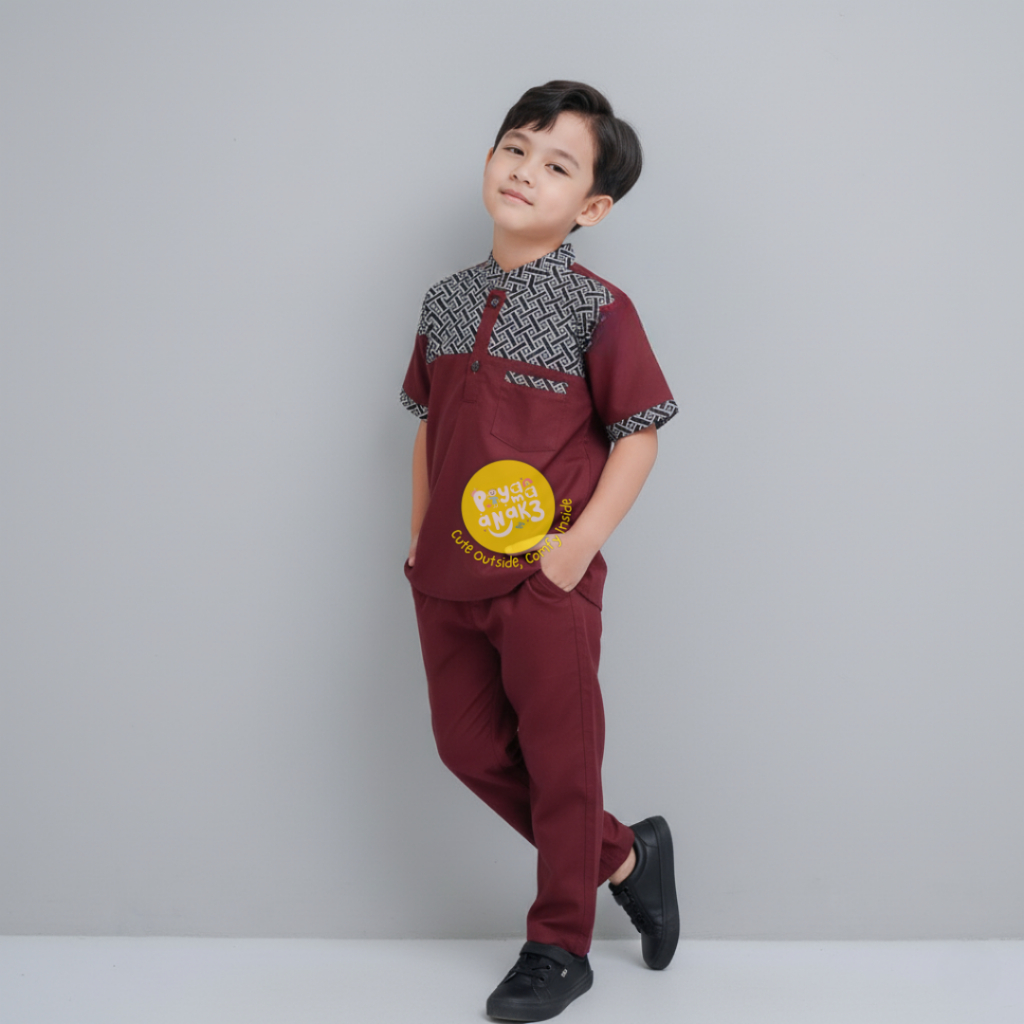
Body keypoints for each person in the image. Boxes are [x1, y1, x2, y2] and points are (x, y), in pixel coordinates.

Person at [399, 80, 679, 1022]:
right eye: (516, 148)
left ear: (590, 209)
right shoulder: (445, 301)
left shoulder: (599, 308)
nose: (525, 171)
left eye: (557, 165)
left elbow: (638, 434)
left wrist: (576, 549)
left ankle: (560, 947)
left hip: (543, 581)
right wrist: (416, 542)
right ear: (491, 158)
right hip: (445, 576)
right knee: (466, 747)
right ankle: (628, 856)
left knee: (563, 768)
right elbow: (428, 427)